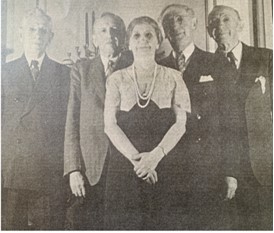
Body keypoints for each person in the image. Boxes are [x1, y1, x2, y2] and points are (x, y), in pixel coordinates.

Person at [103, 16, 190, 230]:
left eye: (149, 35)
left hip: (164, 166)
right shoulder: (116, 79)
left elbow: (181, 124)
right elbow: (110, 125)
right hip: (125, 168)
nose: (143, 41)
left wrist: (155, 157)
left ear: (158, 40)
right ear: (129, 43)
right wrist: (140, 163)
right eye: (137, 36)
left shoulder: (174, 77)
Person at [158, 4, 230, 230]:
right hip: (168, 171)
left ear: (194, 24)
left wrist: (231, 171)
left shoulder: (217, 62)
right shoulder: (157, 68)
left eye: (180, 20)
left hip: (208, 170)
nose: (175, 26)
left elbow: (231, 120)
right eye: (169, 22)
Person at [1, 8, 70, 230]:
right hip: (13, 169)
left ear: (50, 37)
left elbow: (70, 126)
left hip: (49, 169)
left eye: (43, 30)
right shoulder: (4, 72)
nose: (37, 35)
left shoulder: (64, 74)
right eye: (32, 29)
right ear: (21, 34)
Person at [63, 12, 132, 230]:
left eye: (115, 30)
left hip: (127, 162)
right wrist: (73, 169)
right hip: (91, 166)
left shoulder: (135, 64)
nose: (109, 35)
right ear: (94, 39)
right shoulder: (81, 70)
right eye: (103, 30)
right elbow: (72, 121)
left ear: (123, 36)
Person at [208, 5, 273, 230]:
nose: (220, 26)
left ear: (240, 25)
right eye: (214, 23)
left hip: (264, 164)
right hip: (224, 168)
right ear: (210, 32)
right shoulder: (206, 64)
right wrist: (227, 169)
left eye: (226, 19)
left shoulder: (266, 57)